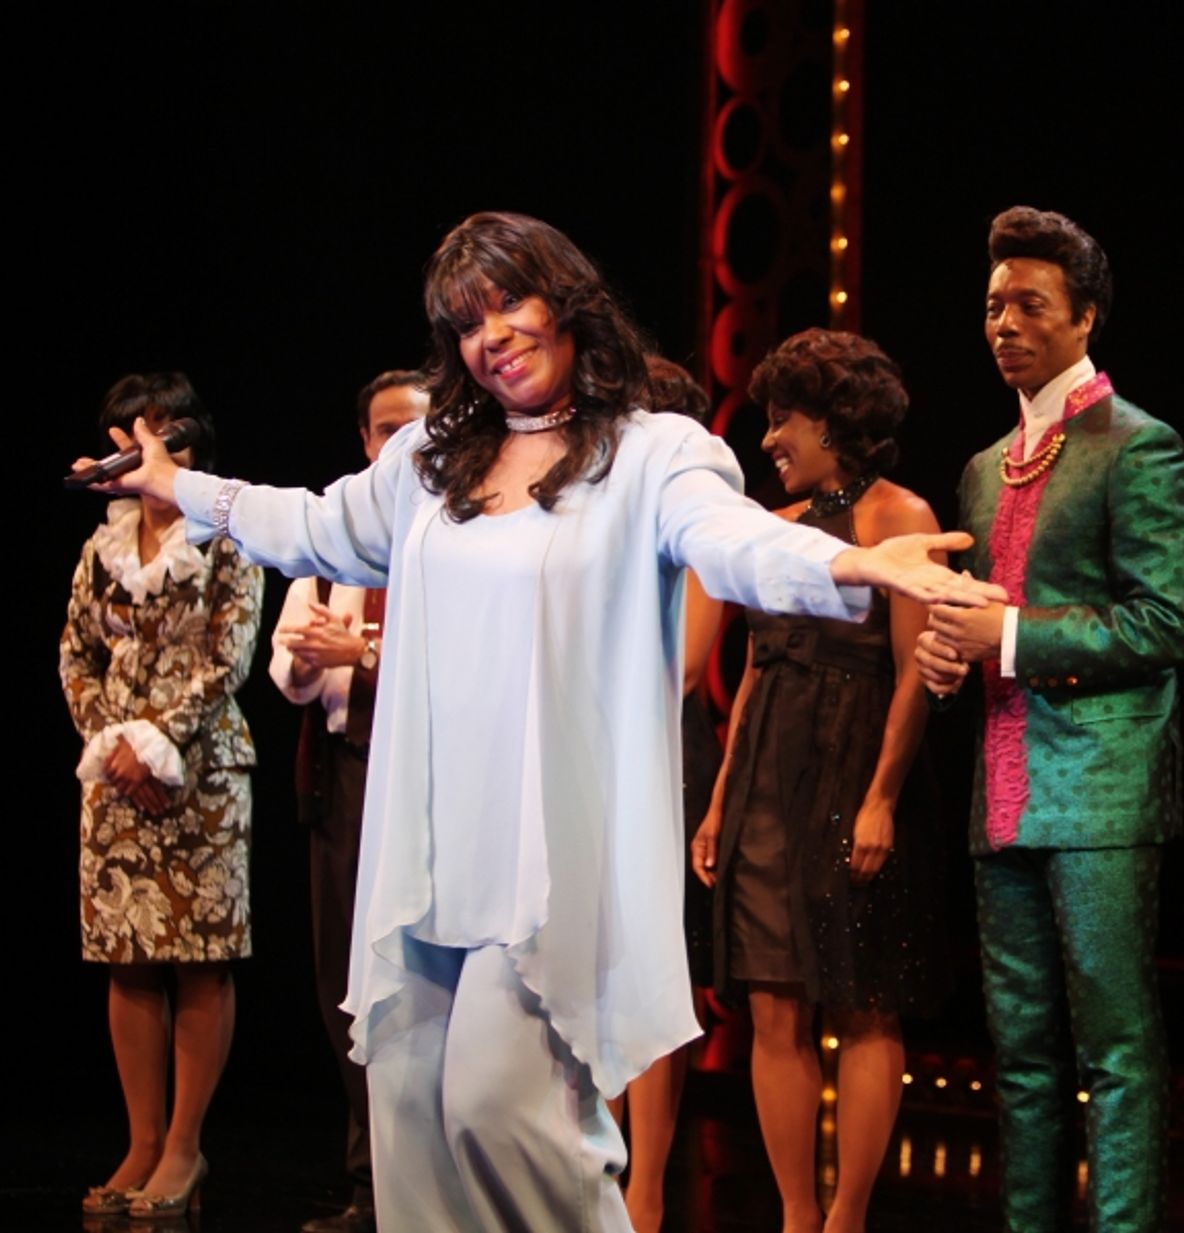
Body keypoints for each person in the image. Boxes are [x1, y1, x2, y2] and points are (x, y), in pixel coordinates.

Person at [75, 211, 999, 1233]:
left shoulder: (653, 452)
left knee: (500, 1109)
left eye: (510, 302)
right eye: (468, 322)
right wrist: (176, 486)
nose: (494, 335)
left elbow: (729, 540)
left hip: (545, 853)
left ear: (565, 303)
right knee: (414, 1117)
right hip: (430, 847)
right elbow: (310, 523)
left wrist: (853, 563)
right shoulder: (431, 459)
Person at [916, 206, 1184, 1233]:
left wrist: (1013, 636)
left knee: (1115, 1052)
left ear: (1086, 318)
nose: (1004, 324)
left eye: (1030, 305)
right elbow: (980, 622)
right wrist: (948, 653)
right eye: (993, 306)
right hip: (1003, 787)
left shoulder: (1140, 447)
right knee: (1021, 1055)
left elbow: (1167, 622)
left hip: (1100, 786)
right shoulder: (985, 467)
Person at [691, 329, 945, 1233]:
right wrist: (723, 796)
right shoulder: (776, 527)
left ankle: (848, 1218)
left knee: (865, 998)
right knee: (772, 1002)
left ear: (835, 422)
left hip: (852, 761)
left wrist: (881, 796)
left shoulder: (898, 518)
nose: (768, 438)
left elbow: (916, 670)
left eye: (782, 418)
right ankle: (798, 1215)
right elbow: (757, 666)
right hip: (766, 767)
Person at [60, 373, 264, 1219]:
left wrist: (159, 742)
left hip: (202, 775)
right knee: (130, 956)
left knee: (199, 956)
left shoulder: (228, 535)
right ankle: (142, 1139)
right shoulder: (101, 550)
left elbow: (229, 658)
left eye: (141, 443)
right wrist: (113, 743)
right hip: (114, 779)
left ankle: (185, 1146)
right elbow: (77, 655)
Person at [270, 370, 428, 1233]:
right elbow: (290, 670)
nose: (398, 443)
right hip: (344, 776)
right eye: (383, 430)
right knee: (346, 989)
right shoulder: (335, 542)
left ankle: (427, 1191)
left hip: (426, 789)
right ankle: (370, 1186)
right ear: (366, 444)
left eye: (415, 426)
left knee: (419, 990)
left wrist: (364, 652)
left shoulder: (462, 536)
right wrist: (313, 657)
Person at [607, 356, 724, 1233]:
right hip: (590, 754)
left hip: (656, 753)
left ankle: (644, 1188)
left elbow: (684, 664)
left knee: (650, 973)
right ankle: (588, 1167)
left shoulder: (694, 514)